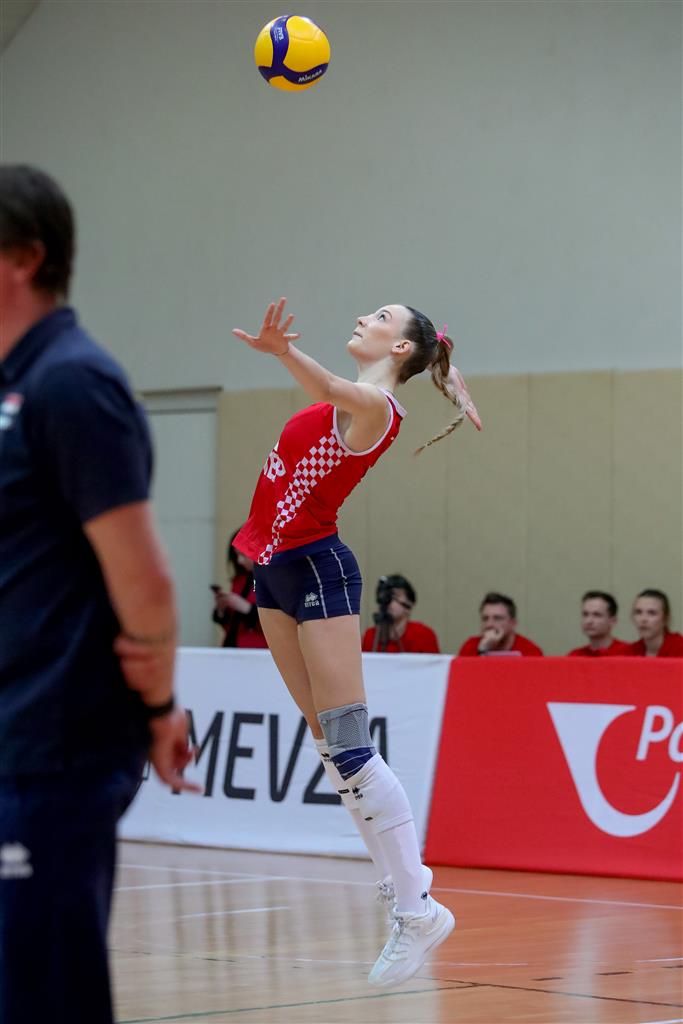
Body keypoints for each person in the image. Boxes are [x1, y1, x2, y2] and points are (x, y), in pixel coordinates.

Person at [232, 298, 481, 987]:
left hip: (318, 569)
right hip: (273, 570)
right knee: (327, 747)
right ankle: (405, 888)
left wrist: (283, 351)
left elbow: (331, 387)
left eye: (380, 317)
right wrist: (447, 372)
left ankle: (416, 907)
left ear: (399, 348)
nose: (365, 318)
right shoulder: (361, 396)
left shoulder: (377, 408)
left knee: (348, 744)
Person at [0, 164, 197, 1024]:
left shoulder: (73, 383)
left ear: (23, 258)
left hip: (54, 749)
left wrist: (157, 706)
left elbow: (144, 581)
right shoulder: (15, 386)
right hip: (12, 737)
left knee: (42, 993)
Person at [212, 530, 268, 648]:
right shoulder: (239, 579)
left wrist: (247, 608)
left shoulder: (272, 580)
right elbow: (231, 624)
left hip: (257, 650)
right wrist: (222, 609)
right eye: (236, 555)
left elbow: (277, 622)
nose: (239, 560)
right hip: (232, 646)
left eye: (243, 554)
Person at [362, 574, 440, 653]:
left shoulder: (423, 635)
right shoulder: (370, 636)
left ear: (409, 604)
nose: (387, 601)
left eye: (394, 596)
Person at [458, 592, 543, 656]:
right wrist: (482, 650)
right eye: (485, 618)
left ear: (513, 623)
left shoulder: (530, 651)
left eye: (497, 618)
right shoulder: (470, 647)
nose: (489, 624)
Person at [566, 591, 630, 657]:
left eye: (597, 615)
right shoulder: (575, 656)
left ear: (613, 621)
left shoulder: (628, 653)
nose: (589, 621)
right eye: (585, 614)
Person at [626, 589, 683, 657]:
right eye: (638, 612)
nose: (643, 619)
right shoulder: (631, 651)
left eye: (652, 613)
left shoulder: (680, 647)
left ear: (665, 619)